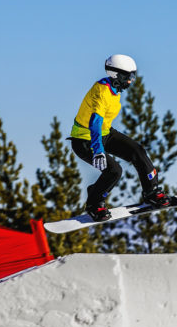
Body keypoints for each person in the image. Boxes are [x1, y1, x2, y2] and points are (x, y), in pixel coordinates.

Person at [69, 54, 170, 221]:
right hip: (85, 140)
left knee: (137, 151)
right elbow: (95, 122)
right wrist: (98, 150)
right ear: (116, 75)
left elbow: (102, 126)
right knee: (114, 171)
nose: (130, 81)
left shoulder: (114, 89)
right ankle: (94, 204)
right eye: (128, 77)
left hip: (105, 133)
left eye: (132, 76)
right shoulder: (101, 91)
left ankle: (151, 192)